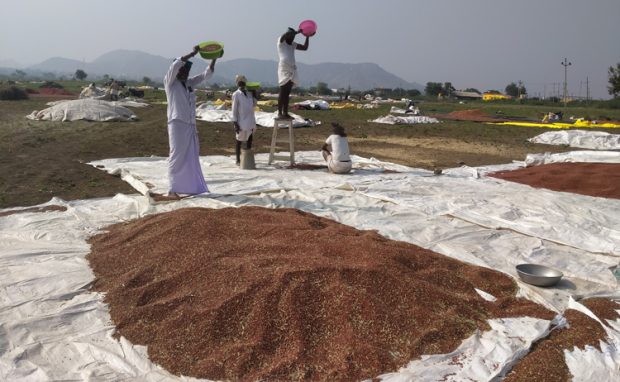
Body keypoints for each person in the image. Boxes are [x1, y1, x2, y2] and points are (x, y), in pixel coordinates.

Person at [163, 45, 217, 197]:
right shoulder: (170, 83)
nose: (186, 72)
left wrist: (214, 59)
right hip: (177, 123)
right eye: (184, 70)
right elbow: (175, 65)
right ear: (178, 70)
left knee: (191, 155)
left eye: (187, 70)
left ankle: (190, 186)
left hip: (190, 125)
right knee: (176, 155)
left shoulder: (188, 84)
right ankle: (172, 189)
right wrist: (193, 54)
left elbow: (205, 76)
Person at [277, 27, 310, 119]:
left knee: (287, 93)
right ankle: (280, 113)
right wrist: (297, 32)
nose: (293, 38)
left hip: (292, 69)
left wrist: (307, 37)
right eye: (292, 36)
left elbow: (305, 48)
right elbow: (285, 35)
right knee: (283, 91)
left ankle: (285, 112)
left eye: (293, 36)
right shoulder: (281, 41)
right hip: (284, 69)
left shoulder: (293, 45)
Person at [231, 74, 257, 166]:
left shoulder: (249, 93)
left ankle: (247, 158)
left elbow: (254, 105)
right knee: (239, 141)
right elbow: (234, 109)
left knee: (250, 139)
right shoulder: (236, 94)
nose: (242, 84)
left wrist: (254, 95)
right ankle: (238, 159)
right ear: (237, 83)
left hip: (250, 120)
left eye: (243, 82)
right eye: (240, 82)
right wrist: (235, 123)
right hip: (241, 121)